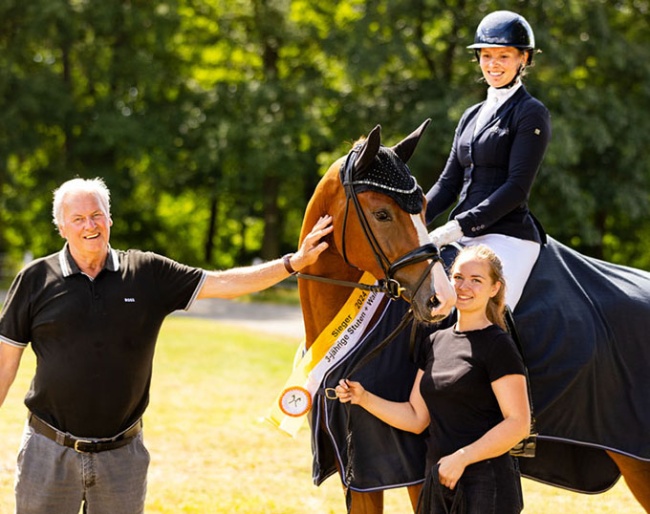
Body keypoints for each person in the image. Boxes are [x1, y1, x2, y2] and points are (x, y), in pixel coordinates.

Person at [0, 177, 333, 514]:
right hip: (48, 451)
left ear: (110, 219)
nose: (90, 225)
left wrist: (293, 262)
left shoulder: (146, 273)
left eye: (97, 215)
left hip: (121, 457)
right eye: (78, 219)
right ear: (61, 227)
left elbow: (224, 283)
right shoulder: (34, 280)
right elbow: (4, 364)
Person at [335, 245, 530, 513]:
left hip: (487, 485)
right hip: (438, 482)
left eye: (476, 280)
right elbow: (417, 418)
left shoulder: (499, 345)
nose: (463, 286)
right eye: (458, 277)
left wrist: (462, 459)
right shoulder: (435, 341)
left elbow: (518, 423)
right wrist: (364, 399)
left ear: (494, 288)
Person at [426, 10, 551, 310]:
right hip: (464, 236)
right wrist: (413, 219)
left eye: (504, 56)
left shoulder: (531, 112)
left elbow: (517, 188)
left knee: (480, 309)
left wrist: (456, 227)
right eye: (486, 56)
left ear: (524, 59)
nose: (493, 64)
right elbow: (447, 183)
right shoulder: (471, 115)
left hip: (507, 235)